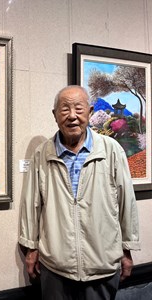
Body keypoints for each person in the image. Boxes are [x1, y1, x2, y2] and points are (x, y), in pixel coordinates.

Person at [19, 85, 140, 299]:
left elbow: (126, 202)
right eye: (64, 109)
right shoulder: (43, 153)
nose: (72, 116)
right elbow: (31, 203)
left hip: (102, 265)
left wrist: (127, 249)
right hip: (56, 267)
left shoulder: (111, 150)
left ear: (90, 112)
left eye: (79, 108)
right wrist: (30, 247)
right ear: (55, 115)